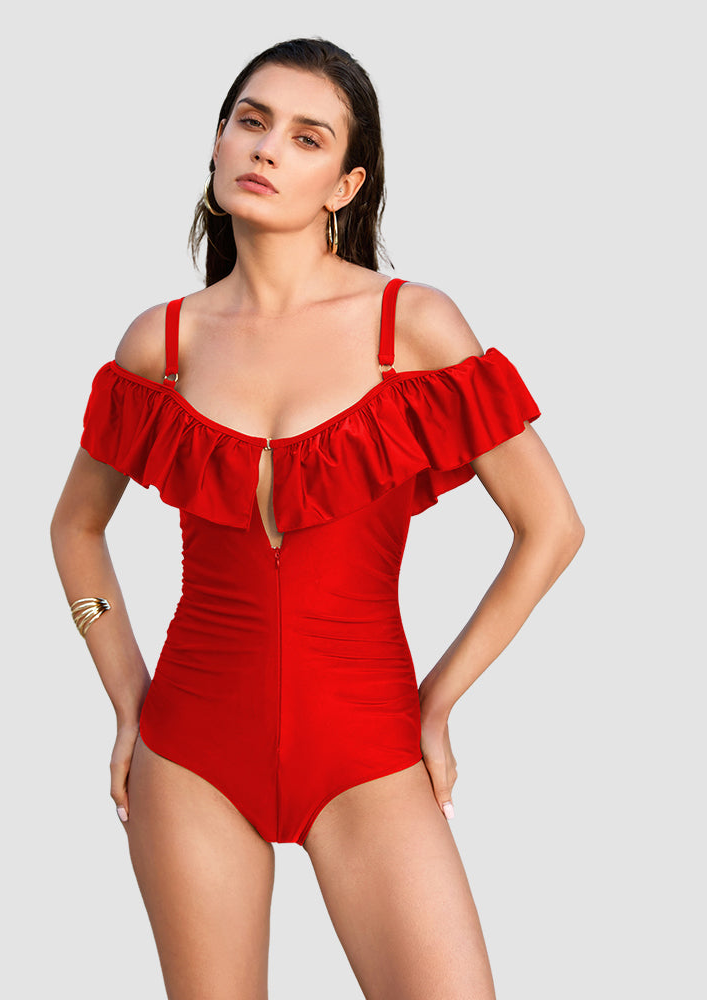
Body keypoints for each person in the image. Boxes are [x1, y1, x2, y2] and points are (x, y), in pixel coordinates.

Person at [50, 36, 584, 1000]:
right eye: (251, 122)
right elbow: (75, 529)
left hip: (370, 748)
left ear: (345, 185)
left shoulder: (410, 327)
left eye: (307, 137)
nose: (267, 148)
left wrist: (438, 700)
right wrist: (126, 699)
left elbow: (552, 527)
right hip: (190, 753)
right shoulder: (160, 344)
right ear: (217, 142)